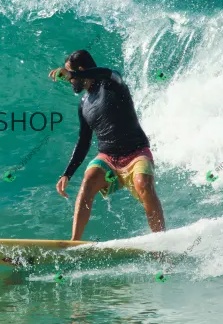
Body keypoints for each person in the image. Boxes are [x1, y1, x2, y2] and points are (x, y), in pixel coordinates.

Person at [49, 50, 165, 241]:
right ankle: (75, 242)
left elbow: (103, 71)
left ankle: (160, 241)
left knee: (143, 184)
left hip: (136, 153)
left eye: (73, 75)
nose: (70, 81)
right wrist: (67, 174)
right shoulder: (84, 104)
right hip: (108, 158)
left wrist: (72, 73)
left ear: (81, 70)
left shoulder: (112, 82)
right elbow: (83, 141)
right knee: (88, 180)